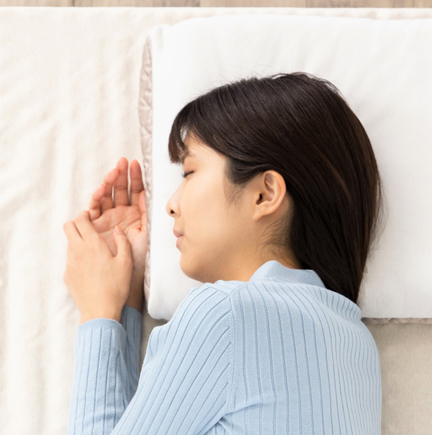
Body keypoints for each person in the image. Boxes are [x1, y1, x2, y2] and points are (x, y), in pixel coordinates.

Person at [64, 72, 385, 434]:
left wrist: (98, 309)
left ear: (264, 194)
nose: (170, 205)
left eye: (189, 172)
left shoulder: (223, 313)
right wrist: (124, 305)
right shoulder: (357, 344)